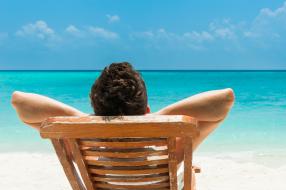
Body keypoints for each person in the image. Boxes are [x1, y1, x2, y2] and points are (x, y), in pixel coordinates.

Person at [11, 62, 235, 153]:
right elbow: (225, 98)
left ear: (96, 110)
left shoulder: (83, 144)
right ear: (146, 110)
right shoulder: (171, 147)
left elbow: (19, 101)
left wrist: (83, 119)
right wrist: (157, 117)